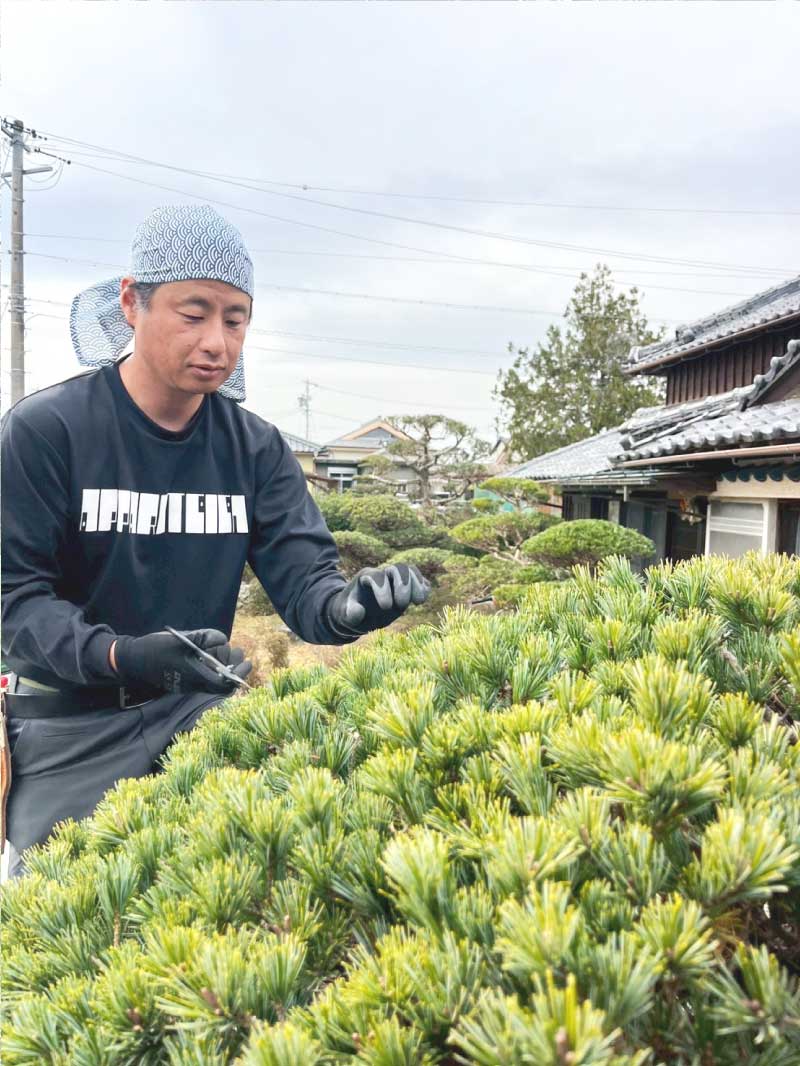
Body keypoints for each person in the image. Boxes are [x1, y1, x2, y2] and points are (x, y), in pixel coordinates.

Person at [0, 203, 429, 878]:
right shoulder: (48, 431)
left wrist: (349, 609)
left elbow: (306, 586)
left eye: (236, 319)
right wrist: (122, 655)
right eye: (193, 313)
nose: (217, 342)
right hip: (69, 730)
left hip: (195, 715)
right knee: (66, 931)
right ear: (131, 303)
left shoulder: (254, 449)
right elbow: (16, 601)